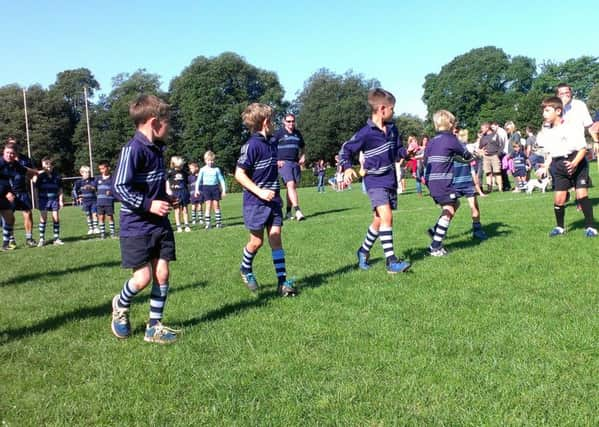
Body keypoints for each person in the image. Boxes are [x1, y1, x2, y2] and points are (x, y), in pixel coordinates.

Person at [111, 94, 180, 344]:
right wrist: (150, 204)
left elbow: (152, 186)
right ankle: (120, 304)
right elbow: (119, 187)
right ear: (154, 122)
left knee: (162, 273)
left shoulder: (158, 149)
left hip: (158, 224)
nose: (169, 126)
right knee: (142, 278)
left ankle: (154, 327)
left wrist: (166, 197)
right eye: (167, 121)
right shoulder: (133, 149)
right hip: (136, 226)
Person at [339, 88, 412, 274]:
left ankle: (363, 251)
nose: (394, 112)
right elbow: (345, 150)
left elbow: (397, 152)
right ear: (382, 109)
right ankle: (391, 262)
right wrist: (347, 167)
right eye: (392, 108)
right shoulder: (365, 133)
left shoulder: (393, 129)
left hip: (390, 180)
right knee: (387, 217)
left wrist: (408, 152)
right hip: (374, 181)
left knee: (379, 220)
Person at [234, 102, 298, 296]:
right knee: (256, 242)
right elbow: (239, 174)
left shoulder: (271, 142)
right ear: (266, 122)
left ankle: (282, 283)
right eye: (273, 120)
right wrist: (260, 192)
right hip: (256, 202)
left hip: (274, 201)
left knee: (276, 237)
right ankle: (245, 268)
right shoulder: (251, 145)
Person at [537, 96, 597, 237]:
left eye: (547, 110)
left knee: (581, 196)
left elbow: (583, 149)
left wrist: (574, 164)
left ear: (558, 111)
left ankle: (590, 227)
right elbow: (551, 152)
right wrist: (546, 166)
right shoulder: (547, 131)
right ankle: (559, 228)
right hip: (558, 165)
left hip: (577, 161)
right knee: (559, 199)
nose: (543, 114)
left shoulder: (571, 127)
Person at [424, 110, 474, 256]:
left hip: (431, 180)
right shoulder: (452, 139)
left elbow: (427, 161)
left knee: (455, 203)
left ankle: (435, 230)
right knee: (449, 210)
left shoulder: (432, 141)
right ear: (451, 124)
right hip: (442, 180)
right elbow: (465, 154)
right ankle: (435, 247)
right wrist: (473, 155)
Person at [0, 143, 38, 251]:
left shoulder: (14, 164)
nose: (9, 155)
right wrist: (6, 192)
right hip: (3, 194)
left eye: (12, 153)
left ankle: (6, 244)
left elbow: (26, 171)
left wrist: (38, 172)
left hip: (4, 196)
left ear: (15, 154)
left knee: (9, 218)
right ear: (3, 152)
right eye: (7, 152)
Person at [272, 113, 306, 221]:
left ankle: (287, 212)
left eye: (292, 121)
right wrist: (276, 160)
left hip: (295, 163)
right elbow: (270, 147)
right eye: (288, 121)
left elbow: (303, 146)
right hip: (284, 163)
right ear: (284, 122)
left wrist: (303, 156)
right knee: (290, 184)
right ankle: (298, 210)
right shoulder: (279, 133)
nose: (291, 123)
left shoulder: (297, 133)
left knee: (291, 188)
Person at [35, 157, 64, 246]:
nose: (48, 168)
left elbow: (60, 189)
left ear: (52, 166)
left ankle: (56, 238)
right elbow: (35, 187)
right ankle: (41, 239)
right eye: (46, 166)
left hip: (54, 200)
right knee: (43, 218)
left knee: (56, 218)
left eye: (49, 166)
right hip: (44, 200)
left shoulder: (57, 176)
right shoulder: (40, 176)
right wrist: (36, 200)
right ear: (43, 166)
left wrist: (61, 200)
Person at [195, 150, 226, 229]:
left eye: (212, 160)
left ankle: (218, 223)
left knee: (216, 205)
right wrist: (196, 190)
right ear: (205, 160)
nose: (210, 162)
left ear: (214, 160)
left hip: (215, 188)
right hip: (206, 188)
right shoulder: (202, 169)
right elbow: (198, 180)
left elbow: (221, 180)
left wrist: (224, 190)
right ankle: (208, 224)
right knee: (208, 205)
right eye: (208, 160)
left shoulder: (216, 169)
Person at [166, 156, 190, 233]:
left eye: (181, 166)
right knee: (177, 210)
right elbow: (166, 180)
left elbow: (186, 182)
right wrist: (168, 189)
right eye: (179, 166)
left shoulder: (184, 172)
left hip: (183, 192)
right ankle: (179, 226)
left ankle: (187, 225)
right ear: (174, 165)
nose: (180, 167)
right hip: (175, 193)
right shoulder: (170, 172)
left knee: (185, 209)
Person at [73, 165, 99, 235]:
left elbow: (97, 187)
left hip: (93, 200)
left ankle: (96, 228)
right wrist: (77, 198)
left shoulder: (93, 180)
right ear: (81, 173)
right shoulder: (79, 182)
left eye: (89, 172)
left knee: (94, 213)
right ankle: (91, 229)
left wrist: (91, 187)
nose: (88, 174)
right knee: (88, 215)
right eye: (86, 172)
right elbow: (74, 191)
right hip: (85, 201)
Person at [478, 122, 503, 192]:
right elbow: (480, 148)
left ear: (487, 128)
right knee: (488, 173)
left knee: (497, 172)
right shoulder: (483, 137)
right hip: (486, 157)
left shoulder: (495, 135)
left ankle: (500, 189)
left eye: (482, 128)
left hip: (495, 156)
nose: (481, 130)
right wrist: (482, 152)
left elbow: (500, 145)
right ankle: (489, 189)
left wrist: (498, 154)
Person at [95, 161, 116, 239]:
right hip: (100, 202)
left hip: (109, 201)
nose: (101, 171)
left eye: (103, 168)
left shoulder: (113, 178)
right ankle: (102, 234)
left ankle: (112, 234)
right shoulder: (98, 178)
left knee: (110, 216)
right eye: (100, 169)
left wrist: (111, 191)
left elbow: (116, 188)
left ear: (108, 168)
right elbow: (94, 187)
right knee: (101, 217)